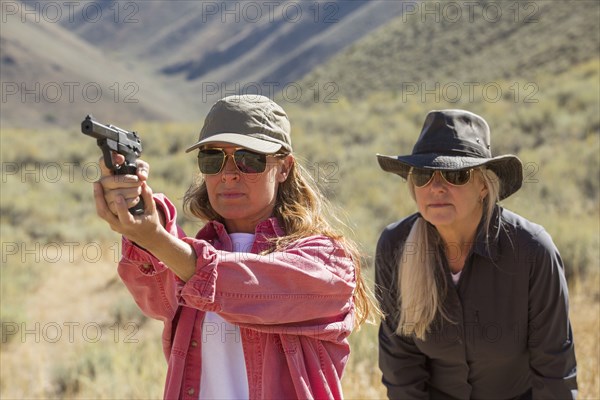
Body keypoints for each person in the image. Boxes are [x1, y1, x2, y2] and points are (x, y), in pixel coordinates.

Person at [93, 94, 376, 399]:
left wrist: (156, 238)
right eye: (213, 159)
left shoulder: (328, 261)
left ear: (284, 167)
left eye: (248, 159)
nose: (228, 173)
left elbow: (249, 285)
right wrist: (141, 212)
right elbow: (157, 292)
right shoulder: (188, 255)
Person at [374, 109, 577, 399]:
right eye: (423, 174)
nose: (436, 187)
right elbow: (401, 366)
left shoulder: (532, 250)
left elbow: (555, 369)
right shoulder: (395, 246)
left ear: (484, 184)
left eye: (455, 174)